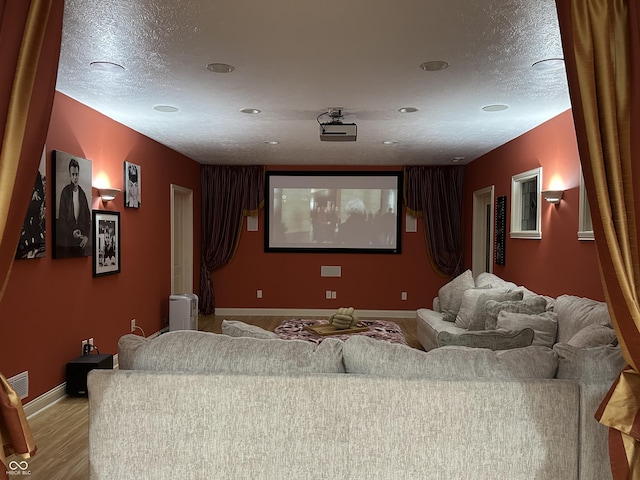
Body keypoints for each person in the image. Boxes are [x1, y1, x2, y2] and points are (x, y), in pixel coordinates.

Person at [57, 158, 91, 257]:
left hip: (81, 243)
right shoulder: (65, 192)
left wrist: (86, 237)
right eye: (73, 174)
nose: (75, 177)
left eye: (77, 174)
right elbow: (61, 220)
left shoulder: (82, 194)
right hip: (67, 241)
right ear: (69, 176)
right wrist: (72, 232)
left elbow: (88, 218)